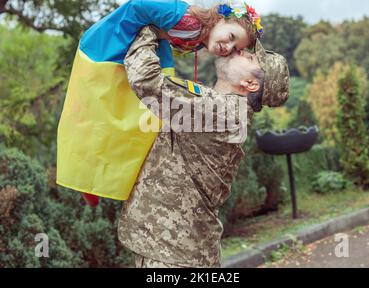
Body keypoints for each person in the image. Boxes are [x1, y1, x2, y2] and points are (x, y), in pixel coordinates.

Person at [56, 0, 264, 205]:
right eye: (230, 36)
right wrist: (147, 33)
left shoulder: (199, 39)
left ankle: (95, 177)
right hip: (109, 46)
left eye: (235, 47)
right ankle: (84, 175)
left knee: (137, 121)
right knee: (101, 107)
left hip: (132, 52)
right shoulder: (186, 19)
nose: (228, 46)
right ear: (219, 18)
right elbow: (136, 7)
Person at [118, 26, 289, 268]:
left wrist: (150, 28)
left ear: (250, 84)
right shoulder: (227, 109)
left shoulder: (222, 112)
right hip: (174, 249)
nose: (238, 51)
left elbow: (145, 81)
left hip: (175, 256)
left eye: (249, 57)